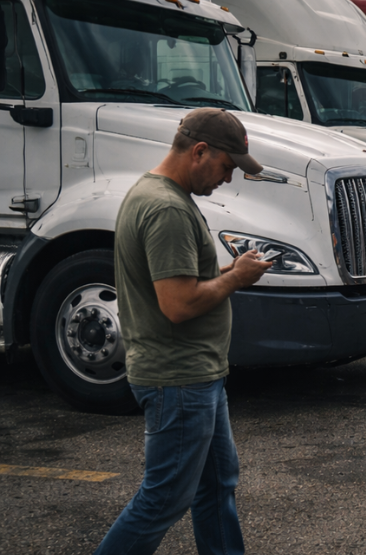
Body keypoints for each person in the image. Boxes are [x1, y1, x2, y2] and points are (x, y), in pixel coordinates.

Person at [95, 108, 273, 555]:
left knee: (216, 484)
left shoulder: (157, 193)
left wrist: (231, 269)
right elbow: (178, 304)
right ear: (199, 151)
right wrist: (236, 279)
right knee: (164, 498)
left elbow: (182, 281)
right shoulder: (167, 208)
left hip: (196, 375)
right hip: (177, 379)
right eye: (226, 166)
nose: (228, 178)